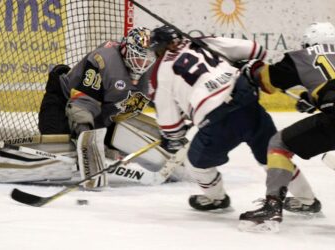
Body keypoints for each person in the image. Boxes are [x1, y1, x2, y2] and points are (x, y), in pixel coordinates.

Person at [149, 25, 320, 212]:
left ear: (159, 48)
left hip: (218, 122)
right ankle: (307, 200)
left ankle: (216, 199)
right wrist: (236, 63)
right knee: (274, 156)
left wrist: (174, 135)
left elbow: (170, 124)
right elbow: (257, 50)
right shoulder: (203, 41)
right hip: (247, 100)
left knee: (196, 164)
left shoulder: (161, 71)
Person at [238, 22, 335, 228]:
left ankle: (272, 206)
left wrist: (251, 69)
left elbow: (267, 81)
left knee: (280, 144)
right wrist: (316, 97)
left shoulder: (303, 56)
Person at [38, 27, 156, 139]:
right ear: (125, 49)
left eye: (146, 59)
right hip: (64, 99)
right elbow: (83, 103)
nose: (142, 64)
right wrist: (86, 133)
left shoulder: (149, 70)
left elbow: (125, 110)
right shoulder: (103, 60)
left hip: (101, 110)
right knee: (56, 136)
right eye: (137, 57)